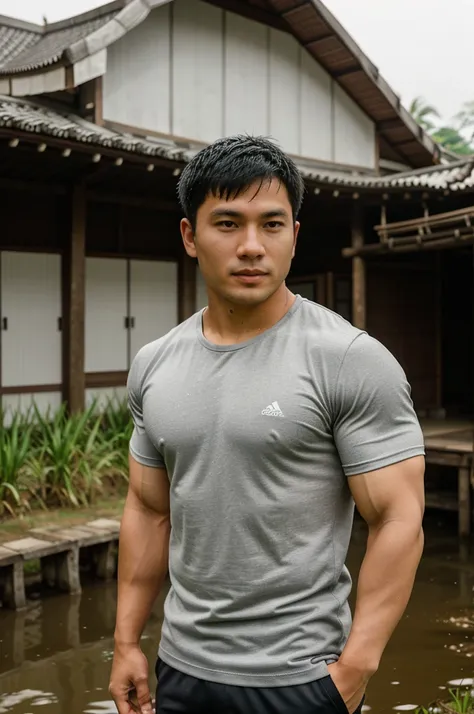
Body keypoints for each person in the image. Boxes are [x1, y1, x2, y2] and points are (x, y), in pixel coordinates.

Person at [109, 135, 425, 714]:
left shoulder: (350, 359)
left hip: (301, 677)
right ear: (190, 236)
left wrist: (353, 670)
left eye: (271, 224)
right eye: (227, 223)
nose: (251, 246)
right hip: (180, 667)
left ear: (294, 237)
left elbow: (399, 518)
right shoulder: (154, 364)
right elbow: (149, 508)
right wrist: (127, 641)